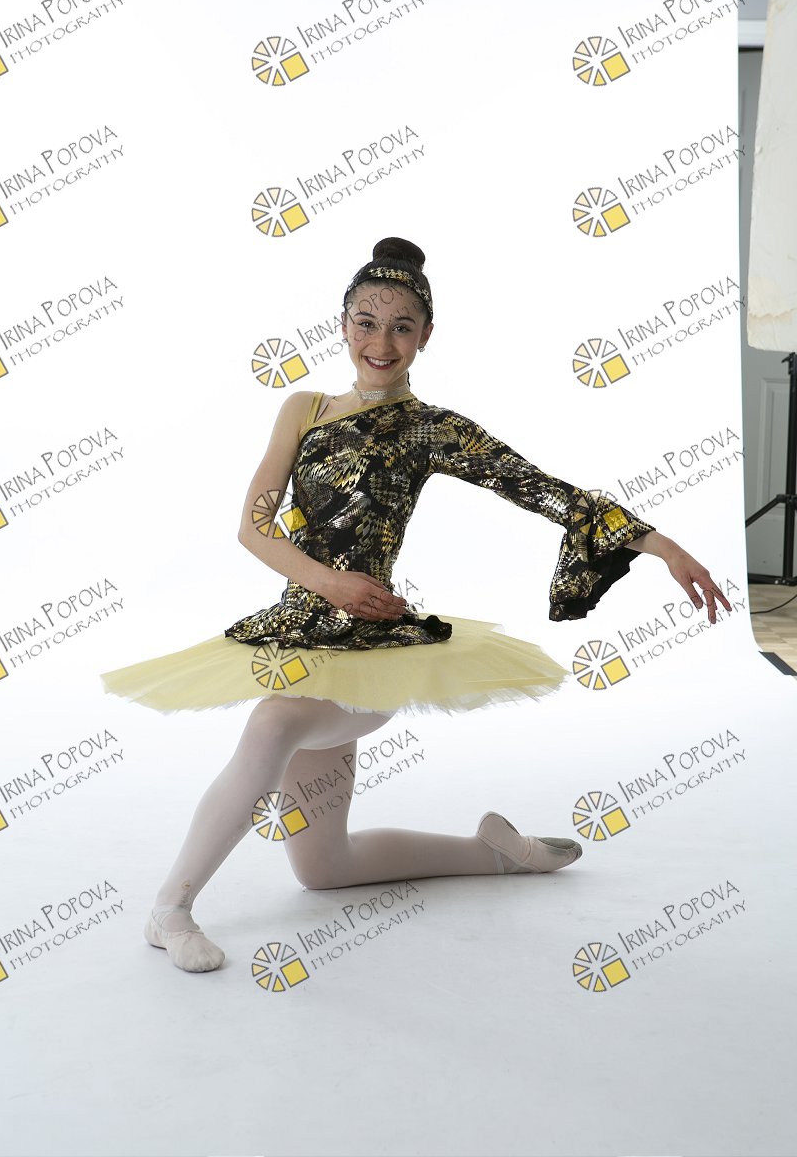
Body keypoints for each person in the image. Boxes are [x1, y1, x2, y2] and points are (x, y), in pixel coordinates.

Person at [100, 237, 733, 973]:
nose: (382, 342)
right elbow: (254, 526)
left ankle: (170, 910)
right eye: (367, 322)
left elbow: (540, 488)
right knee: (324, 870)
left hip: (373, 651)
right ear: (342, 325)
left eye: (402, 326)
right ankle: (494, 854)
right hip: (297, 631)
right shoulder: (302, 408)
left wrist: (661, 545)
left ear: (426, 336)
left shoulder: (432, 429)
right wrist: (328, 582)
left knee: (273, 723)